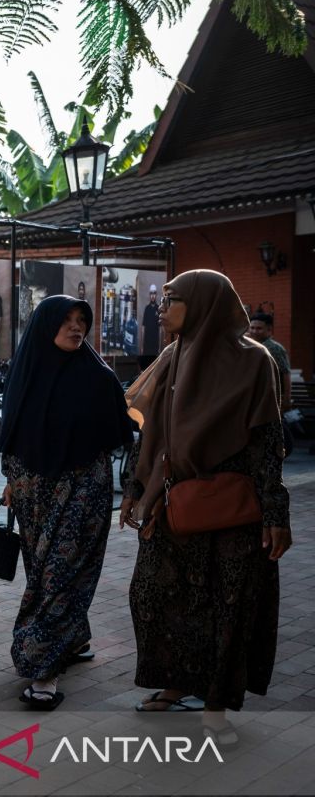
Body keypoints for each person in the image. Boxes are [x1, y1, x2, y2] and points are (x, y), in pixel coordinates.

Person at [121, 270, 290, 743]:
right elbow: (151, 432)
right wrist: (136, 489)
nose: (162, 307)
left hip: (232, 511)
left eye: (172, 299)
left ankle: (215, 708)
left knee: (228, 610)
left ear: (202, 303)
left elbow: (266, 441)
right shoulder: (173, 356)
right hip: (174, 499)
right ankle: (177, 684)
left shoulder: (254, 362)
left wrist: (276, 514)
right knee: (154, 595)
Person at [0, 295, 134, 710]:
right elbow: (15, 432)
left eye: (82, 320)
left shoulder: (98, 377)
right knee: (42, 571)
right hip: (30, 491)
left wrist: (132, 490)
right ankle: (73, 637)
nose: (77, 327)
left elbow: (121, 435)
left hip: (82, 492)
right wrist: (10, 482)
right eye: (68, 320)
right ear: (45, 325)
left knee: (61, 573)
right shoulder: (25, 372)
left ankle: (43, 671)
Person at [248, 312, 292, 412]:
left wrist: (287, 399)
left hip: (271, 398)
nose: (254, 331)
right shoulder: (252, 346)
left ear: (269, 330)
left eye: (259, 328)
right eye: (252, 327)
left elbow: (286, 373)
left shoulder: (274, 348)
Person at [139, 284, 161, 369]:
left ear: (156, 295)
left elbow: (160, 329)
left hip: (155, 345)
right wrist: (141, 347)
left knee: (155, 367)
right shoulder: (147, 309)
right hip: (147, 345)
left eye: (154, 293)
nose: (152, 296)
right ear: (149, 295)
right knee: (146, 367)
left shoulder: (158, 309)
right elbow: (143, 328)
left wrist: (159, 347)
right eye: (151, 293)